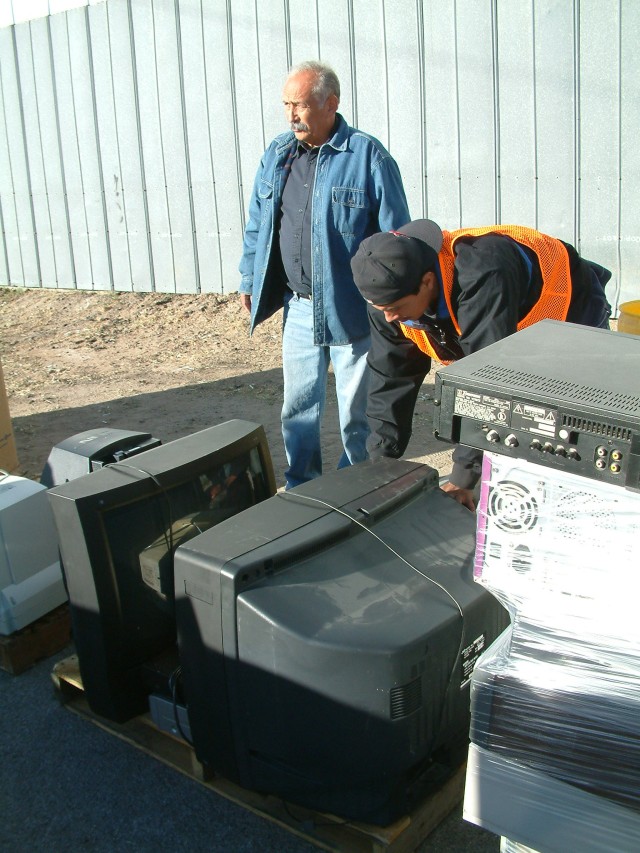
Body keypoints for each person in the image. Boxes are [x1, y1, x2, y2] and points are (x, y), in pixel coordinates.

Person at [350, 220, 612, 510]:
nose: (389, 318)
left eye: (395, 309)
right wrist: (380, 464)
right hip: (497, 324)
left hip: (570, 308)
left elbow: (489, 383)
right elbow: (392, 377)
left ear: (427, 282)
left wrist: (463, 476)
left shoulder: (483, 272)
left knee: (563, 425)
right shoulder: (387, 295)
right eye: (381, 310)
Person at [239, 61, 410, 489]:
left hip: (353, 310)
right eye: (286, 105)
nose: (291, 114)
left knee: (357, 414)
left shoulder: (368, 156)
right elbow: (258, 223)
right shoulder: (277, 155)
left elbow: (397, 236)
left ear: (330, 104)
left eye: (300, 104)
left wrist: (394, 299)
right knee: (297, 408)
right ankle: (303, 489)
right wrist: (248, 278)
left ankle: (353, 492)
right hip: (297, 307)